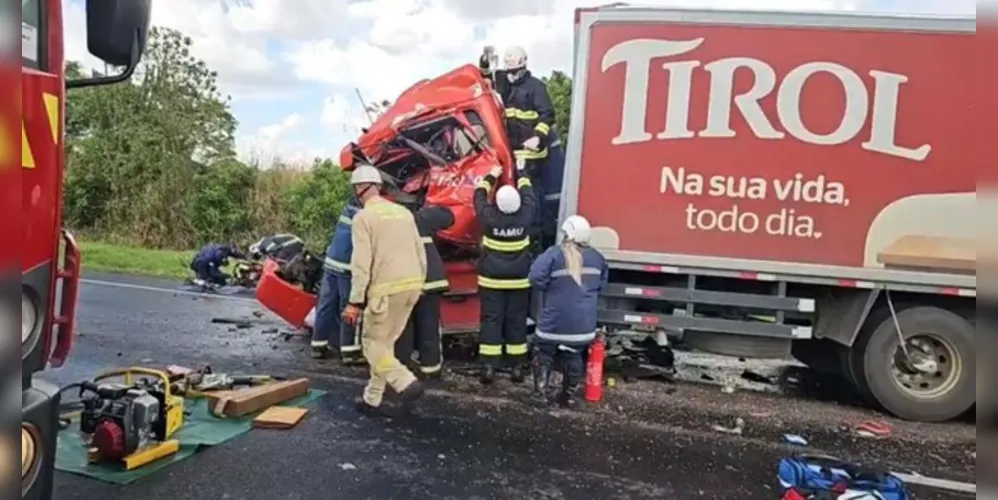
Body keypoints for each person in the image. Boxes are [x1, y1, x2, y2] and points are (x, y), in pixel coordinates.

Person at [342, 165, 428, 417]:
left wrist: (354, 302)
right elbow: (419, 252)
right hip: (412, 285)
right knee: (385, 343)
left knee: (371, 345)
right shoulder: (403, 213)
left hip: (384, 290)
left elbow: (361, 264)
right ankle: (372, 399)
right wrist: (419, 283)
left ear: (360, 188)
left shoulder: (363, 218)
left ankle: (405, 382)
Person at [479, 45, 558, 253]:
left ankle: (535, 241)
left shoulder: (536, 87)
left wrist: (537, 137)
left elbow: (547, 115)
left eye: (514, 71)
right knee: (512, 195)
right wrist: (485, 60)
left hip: (531, 154)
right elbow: (484, 76)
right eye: (509, 70)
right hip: (510, 151)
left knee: (531, 195)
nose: (511, 75)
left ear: (523, 66)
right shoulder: (504, 80)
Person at [528, 215, 608, 408]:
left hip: (553, 323)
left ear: (566, 234)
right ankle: (568, 396)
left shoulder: (553, 254)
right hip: (583, 328)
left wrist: (552, 288)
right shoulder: (598, 258)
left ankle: (540, 395)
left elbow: (535, 278)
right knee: (574, 353)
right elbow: (600, 286)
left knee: (543, 351)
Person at [473, 164, 537, 385]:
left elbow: (479, 196)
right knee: (516, 321)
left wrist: (492, 175)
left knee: (491, 320)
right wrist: (522, 171)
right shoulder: (525, 217)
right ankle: (517, 367)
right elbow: (529, 194)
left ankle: (489, 367)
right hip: (519, 281)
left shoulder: (489, 218)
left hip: (491, 281)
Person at [395, 205, 455, 380]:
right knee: (429, 328)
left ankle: (403, 369)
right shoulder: (420, 219)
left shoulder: (385, 227)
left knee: (405, 328)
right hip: (429, 282)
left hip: (404, 285)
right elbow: (448, 216)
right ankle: (431, 369)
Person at [312, 198, 363, 362]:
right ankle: (350, 352)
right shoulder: (362, 213)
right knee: (349, 307)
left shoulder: (349, 207)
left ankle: (318, 346)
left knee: (326, 305)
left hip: (331, 263)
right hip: (347, 266)